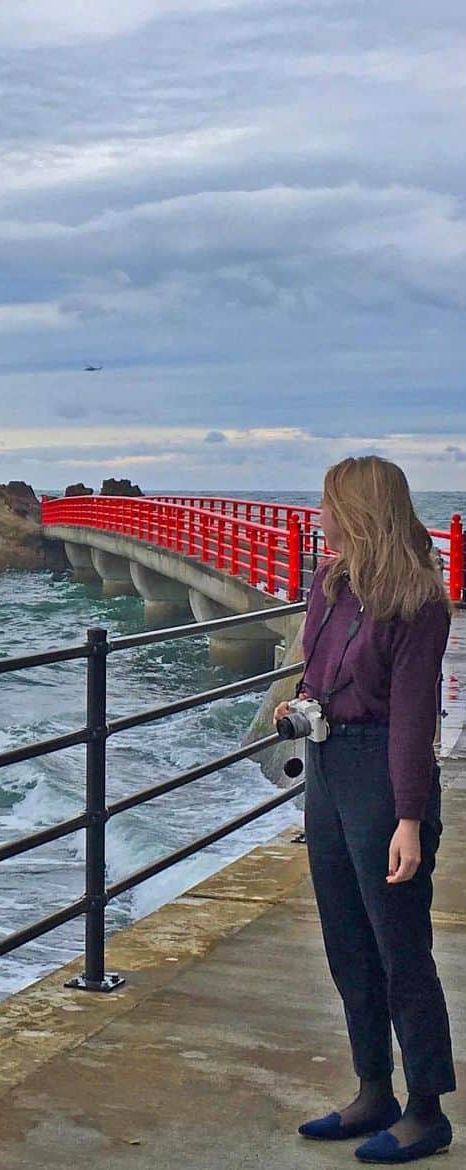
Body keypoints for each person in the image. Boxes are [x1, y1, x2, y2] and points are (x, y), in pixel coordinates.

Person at [274, 456, 454, 1163]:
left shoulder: (418, 603)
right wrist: (301, 700)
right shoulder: (329, 584)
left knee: (400, 946)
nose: (320, 520)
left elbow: (413, 719)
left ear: (361, 513)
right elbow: (317, 669)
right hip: (326, 767)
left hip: (383, 775)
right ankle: (372, 1089)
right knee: (348, 941)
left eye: (330, 507)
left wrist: (410, 817)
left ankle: (427, 1109)